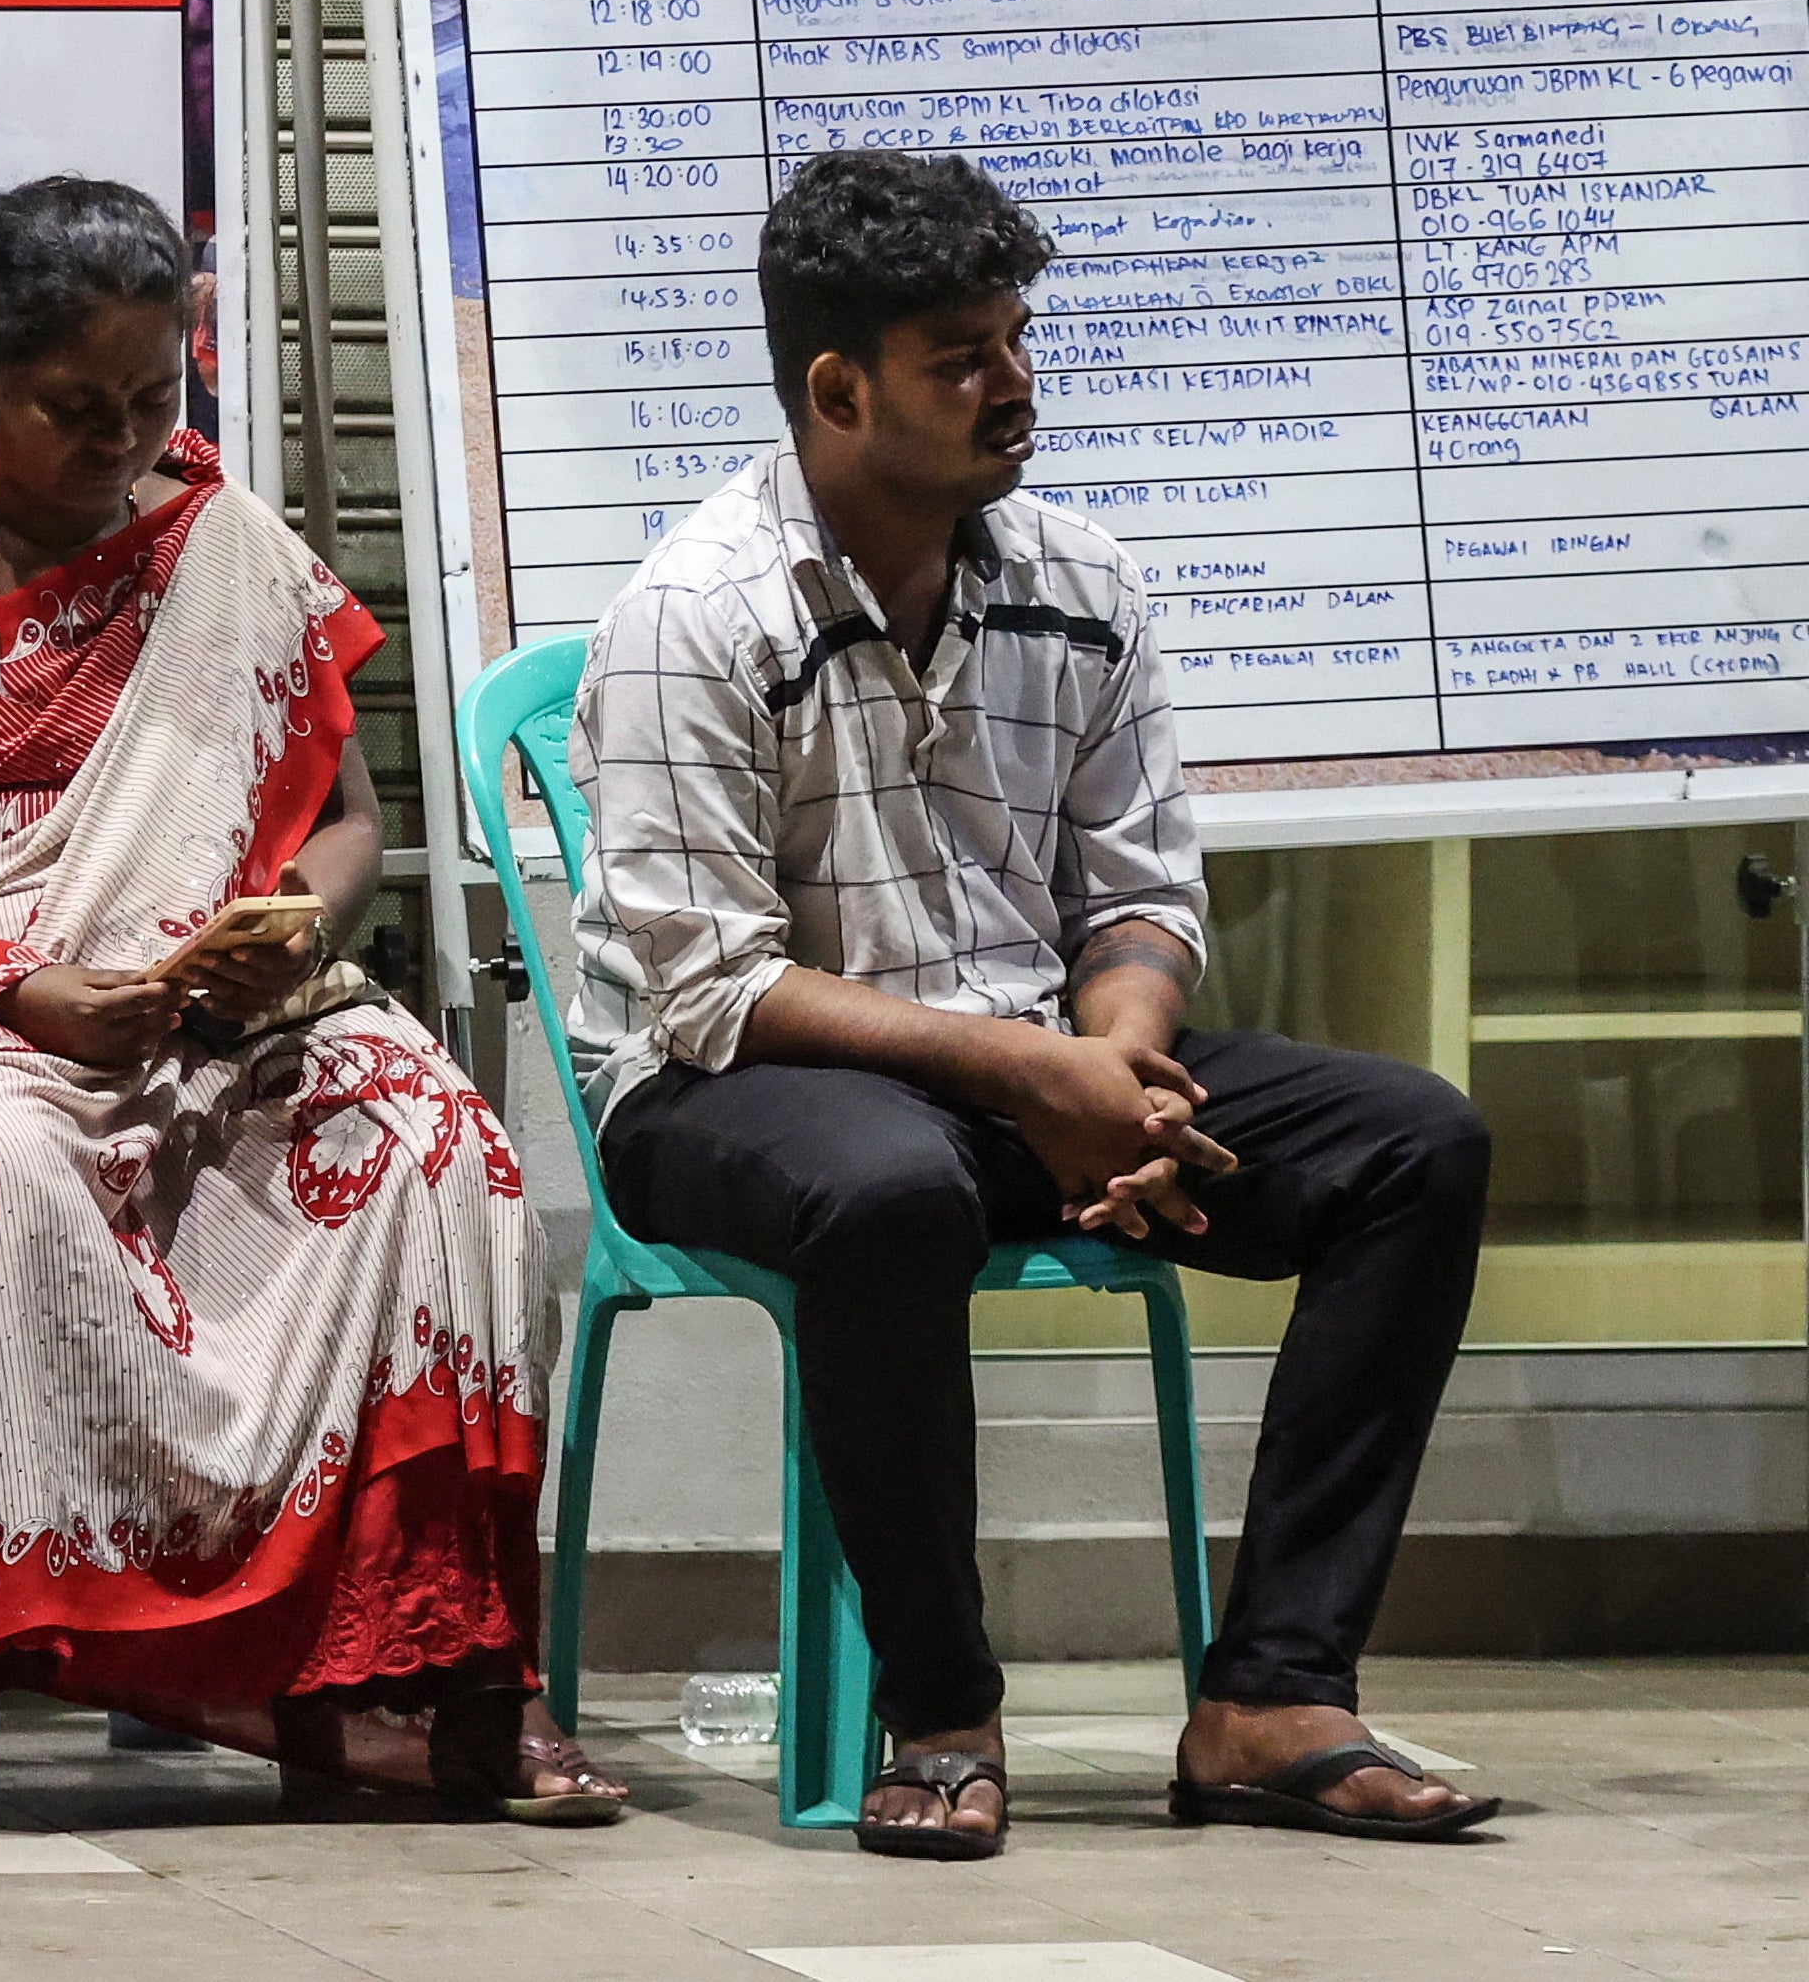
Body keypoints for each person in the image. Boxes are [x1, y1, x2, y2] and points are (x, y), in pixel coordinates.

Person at [569, 151, 1498, 1860]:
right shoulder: (692, 614)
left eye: (1015, 337)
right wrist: (1041, 1077)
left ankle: (1270, 1691)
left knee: (1412, 1143)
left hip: (1022, 1067)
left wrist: (1120, 1078)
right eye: (962, 356)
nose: (1016, 384)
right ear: (837, 389)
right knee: (891, 1187)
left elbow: (1139, 895)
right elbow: (713, 980)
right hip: (727, 1087)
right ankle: (940, 1705)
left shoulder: (1084, 579)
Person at [0, 175, 619, 1835]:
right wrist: (32, 987)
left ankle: (454, 1670)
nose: (123, 443)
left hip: (229, 1008)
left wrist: (295, 929)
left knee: (445, 1148)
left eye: (155, 400)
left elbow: (348, 817)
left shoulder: (226, 538)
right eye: (78, 408)